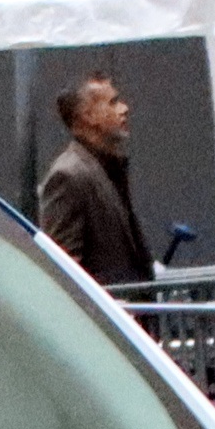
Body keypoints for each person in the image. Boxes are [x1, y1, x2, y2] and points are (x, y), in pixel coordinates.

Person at [33, 72, 154, 290]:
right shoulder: (68, 176)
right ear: (88, 116)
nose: (124, 108)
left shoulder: (107, 167)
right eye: (112, 102)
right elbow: (64, 268)